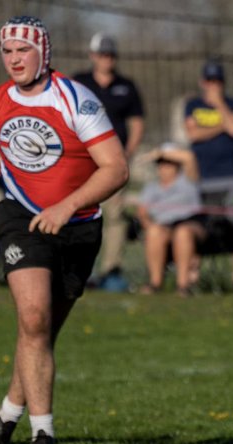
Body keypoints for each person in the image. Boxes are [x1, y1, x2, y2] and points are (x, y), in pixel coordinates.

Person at [0, 15, 129, 444]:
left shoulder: (76, 101)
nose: (14, 60)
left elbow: (116, 168)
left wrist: (66, 206)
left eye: (22, 51)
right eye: (7, 51)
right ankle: (42, 436)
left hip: (79, 225)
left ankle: (5, 418)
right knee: (33, 317)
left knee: (40, 332)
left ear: (43, 53)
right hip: (21, 217)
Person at [74, 33, 144, 293]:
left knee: (114, 216)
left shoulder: (127, 86)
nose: (107, 59)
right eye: (102, 54)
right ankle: (81, 268)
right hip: (83, 161)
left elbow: (137, 123)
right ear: (93, 56)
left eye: (111, 55)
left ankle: (110, 270)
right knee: (81, 212)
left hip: (114, 162)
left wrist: (126, 154)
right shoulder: (79, 83)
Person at [184, 59, 233, 289]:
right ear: (202, 82)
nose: (213, 85)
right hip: (201, 177)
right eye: (209, 81)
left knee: (232, 223)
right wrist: (222, 125)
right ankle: (192, 276)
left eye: (217, 81)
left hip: (227, 175)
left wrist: (220, 104)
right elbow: (193, 134)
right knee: (200, 224)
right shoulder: (192, 105)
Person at [135, 143, 203, 294]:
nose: (164, 167)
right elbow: (142, 213)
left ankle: (183, 285)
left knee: (182, 232)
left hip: (191, 224)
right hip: (164, 226)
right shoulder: (151, 188)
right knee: (154, 232)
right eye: (161, 163)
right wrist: (150, 227)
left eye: (168, 163)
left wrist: (159, 153)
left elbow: (189, 157)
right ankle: (155, 283)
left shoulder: (188, 180)